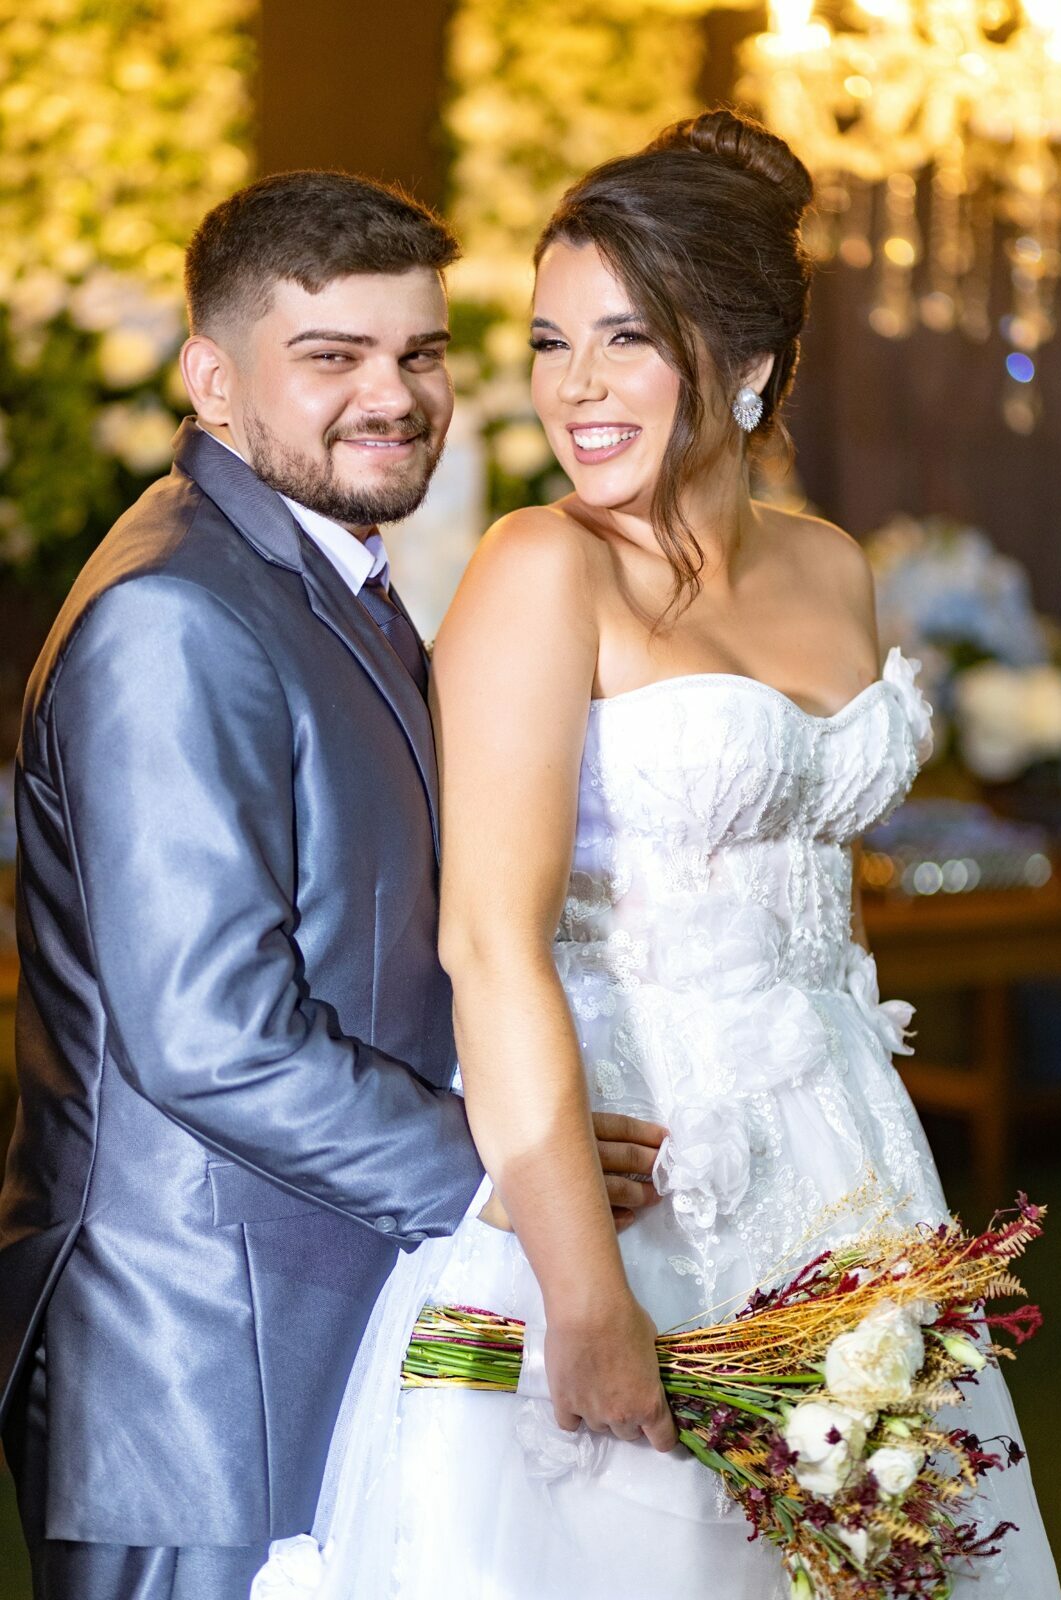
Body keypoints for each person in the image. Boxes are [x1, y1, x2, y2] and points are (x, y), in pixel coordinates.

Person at [254, 111, 1061, 1599]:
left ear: (748, 362)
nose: (575, 387)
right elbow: (487, 941)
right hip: (627, 1178)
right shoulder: (541, 566)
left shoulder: (831, 564)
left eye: (626, 339)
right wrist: (584, 1297)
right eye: (551, 342)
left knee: (882, 1542)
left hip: (845, 1164)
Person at [0, 170, 664, 1600]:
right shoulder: (173, 613)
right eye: (332, 357)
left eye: (420, 353)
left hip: (328, 1306)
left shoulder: (318, 571)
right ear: (212, 381)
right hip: (195, 1360)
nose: (394, 395)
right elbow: (209, 1037)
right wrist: (512, 1168)